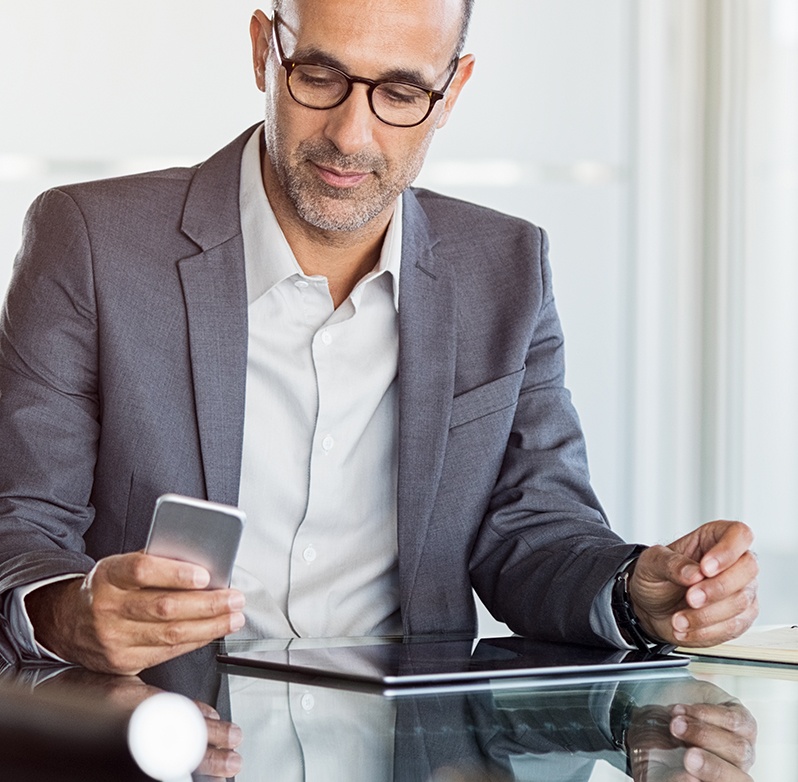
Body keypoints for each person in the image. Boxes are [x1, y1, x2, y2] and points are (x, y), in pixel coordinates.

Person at [0, 0, 758, 676]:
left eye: (399, 93)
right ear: (265, 51)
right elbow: (19, 522)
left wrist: (635, 592)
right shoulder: (94, 242)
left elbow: (533, 531)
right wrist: (66, 613)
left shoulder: (506, 268)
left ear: (451, 91)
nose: (350, 135)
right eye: (320, 77)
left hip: (411, 747)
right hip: (164, 735)